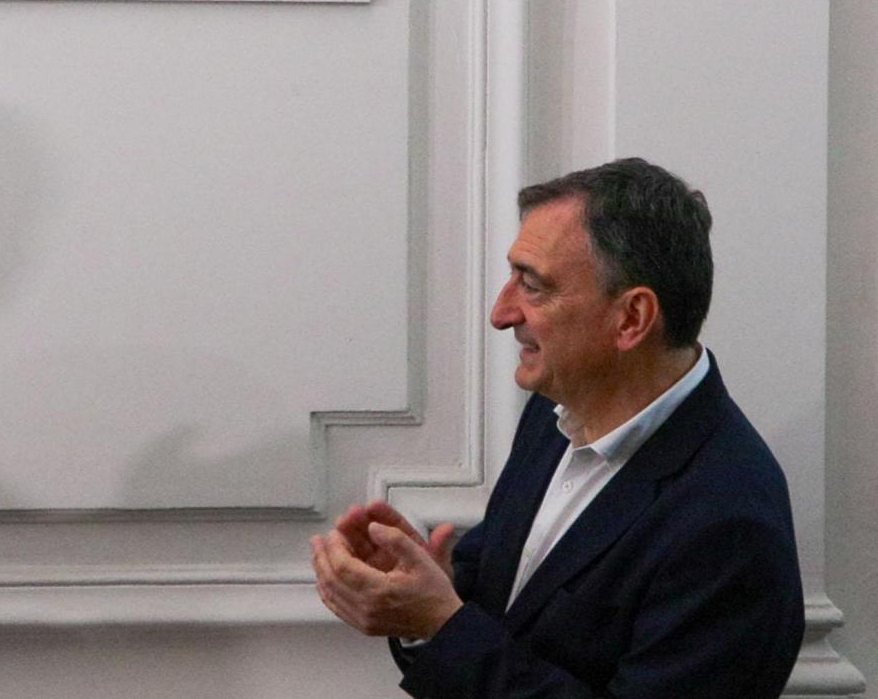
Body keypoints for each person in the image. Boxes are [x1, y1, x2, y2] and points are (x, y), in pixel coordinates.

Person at [311, 158, 804, 698]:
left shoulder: (728, 522)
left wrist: (443, 626)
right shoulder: (553, 415)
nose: (500, 313)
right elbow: (513, 609)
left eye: (533, 285)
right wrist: (426, 591)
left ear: (632, 319)